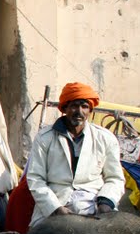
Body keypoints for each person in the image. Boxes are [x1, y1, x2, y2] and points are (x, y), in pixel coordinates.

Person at [25, 82, 124, 225]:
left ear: (90, 110)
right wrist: (55, 208)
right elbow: (35, 178)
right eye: (74, 106)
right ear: (65, 108)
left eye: (84, 106)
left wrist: (105, 202)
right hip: (55, 205)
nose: (79, 111)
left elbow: (115, 178)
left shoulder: (105, 138)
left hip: (94, 205)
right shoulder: (44, 137)